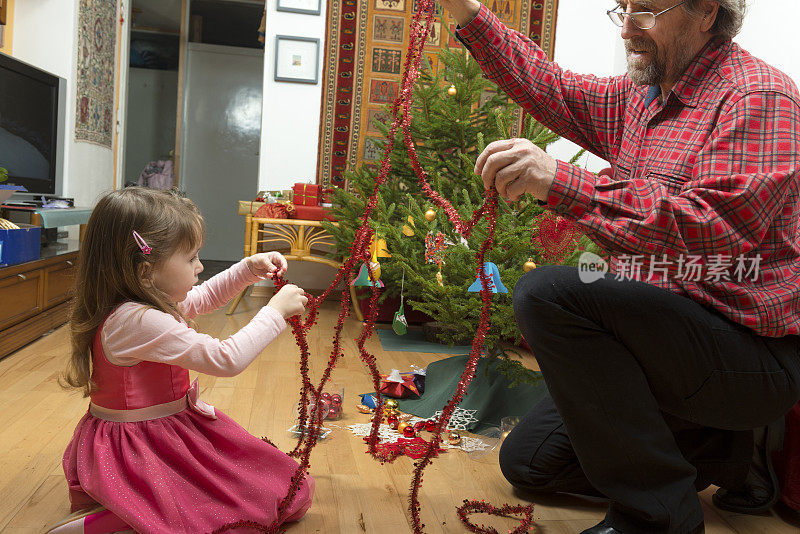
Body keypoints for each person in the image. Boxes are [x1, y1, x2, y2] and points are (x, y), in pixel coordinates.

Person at [437, 0, 800, 533]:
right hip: (667, 337)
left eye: (648, 10)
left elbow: (715, 234)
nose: (628, 26)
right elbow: (548, 85)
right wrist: (467, 12)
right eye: (623, 7)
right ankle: (720, 452)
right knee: (529, 463)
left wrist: (561, 182)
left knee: (550, 292)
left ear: (707, 13)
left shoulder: (759, 96)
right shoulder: (638, 95)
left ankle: (659, 518)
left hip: (747, 352)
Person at [47, 187, 314, 533]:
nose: (200, 266)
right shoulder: (136, 321)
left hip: (166, 431)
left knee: (288, 488)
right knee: (223, 510)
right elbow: (225, 359)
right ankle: (110, 522)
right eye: (190, 259)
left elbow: (201, 298)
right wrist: (274, 313)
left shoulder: (142, 302)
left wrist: (248, 269)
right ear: (146, 270)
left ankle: (138, 508)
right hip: (138, 447)